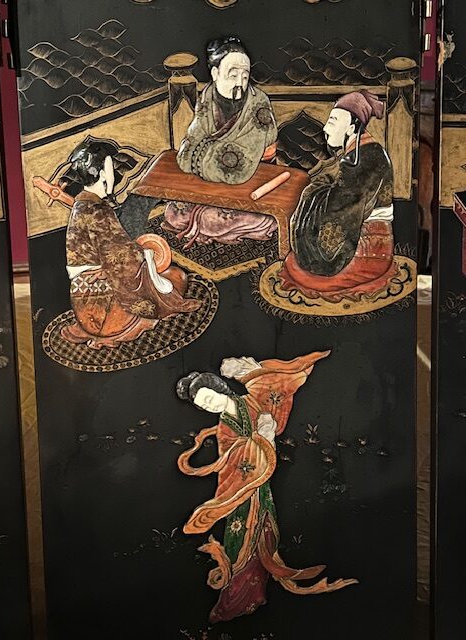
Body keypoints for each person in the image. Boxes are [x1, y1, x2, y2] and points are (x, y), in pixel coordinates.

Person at [176, 353, 357, 624]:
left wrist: (265, 423)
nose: (209, 405)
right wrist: (260, 440)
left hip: (261, 487)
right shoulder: (225, 427)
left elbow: (274, 395)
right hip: (242, 489)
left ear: (219, 388)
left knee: (265, 536)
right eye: (203, 405)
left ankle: (255, 595)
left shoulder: (252, 401)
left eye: (208, 397)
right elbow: (232, 462)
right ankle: (234, 598)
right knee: (238, 539)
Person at [62, 141, 201, 349]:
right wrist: (147, 255)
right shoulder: (97, 211)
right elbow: (121, 259)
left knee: (136, 204)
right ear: (103, 174)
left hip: (85, 299)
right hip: (103, 306)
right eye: (111, 168)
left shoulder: (84, 205)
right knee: (177, 278)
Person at [279, 90, 398, 302]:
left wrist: (313, 191)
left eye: (333, 121)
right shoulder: (364, 150)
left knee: (297, 268)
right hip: (369, 235)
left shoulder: (363, 160)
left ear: (351, 127)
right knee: (293, 262)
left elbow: (338, 214)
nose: (325, 128)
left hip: (369, 247)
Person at [162, 36, 278, 247]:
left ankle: (211, 226)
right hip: (212, 184)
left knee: (221, 219)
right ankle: (213, 226)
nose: (240, 82)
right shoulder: (208, 95)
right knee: (173, 213)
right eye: (233, 75)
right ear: (215, 74)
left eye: (245, 76)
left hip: (253, 182)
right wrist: (213, 154)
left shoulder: (258, 102)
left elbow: (239, 167)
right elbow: (187, 151)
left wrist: (204, 153)